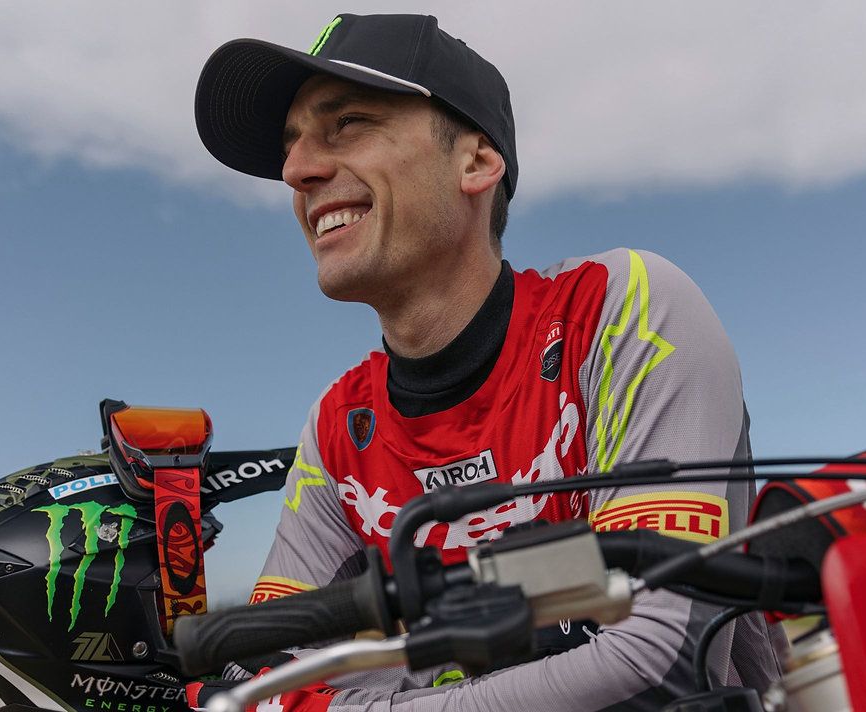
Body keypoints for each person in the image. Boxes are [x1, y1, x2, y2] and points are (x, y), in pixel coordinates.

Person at [192, 12, 784, 711]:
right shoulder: (339, 423)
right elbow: (265, 665)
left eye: (347, 123)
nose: (296, 170)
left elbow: (656, 662)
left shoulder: (617, 306)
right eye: (291, 145)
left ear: (475, 162)